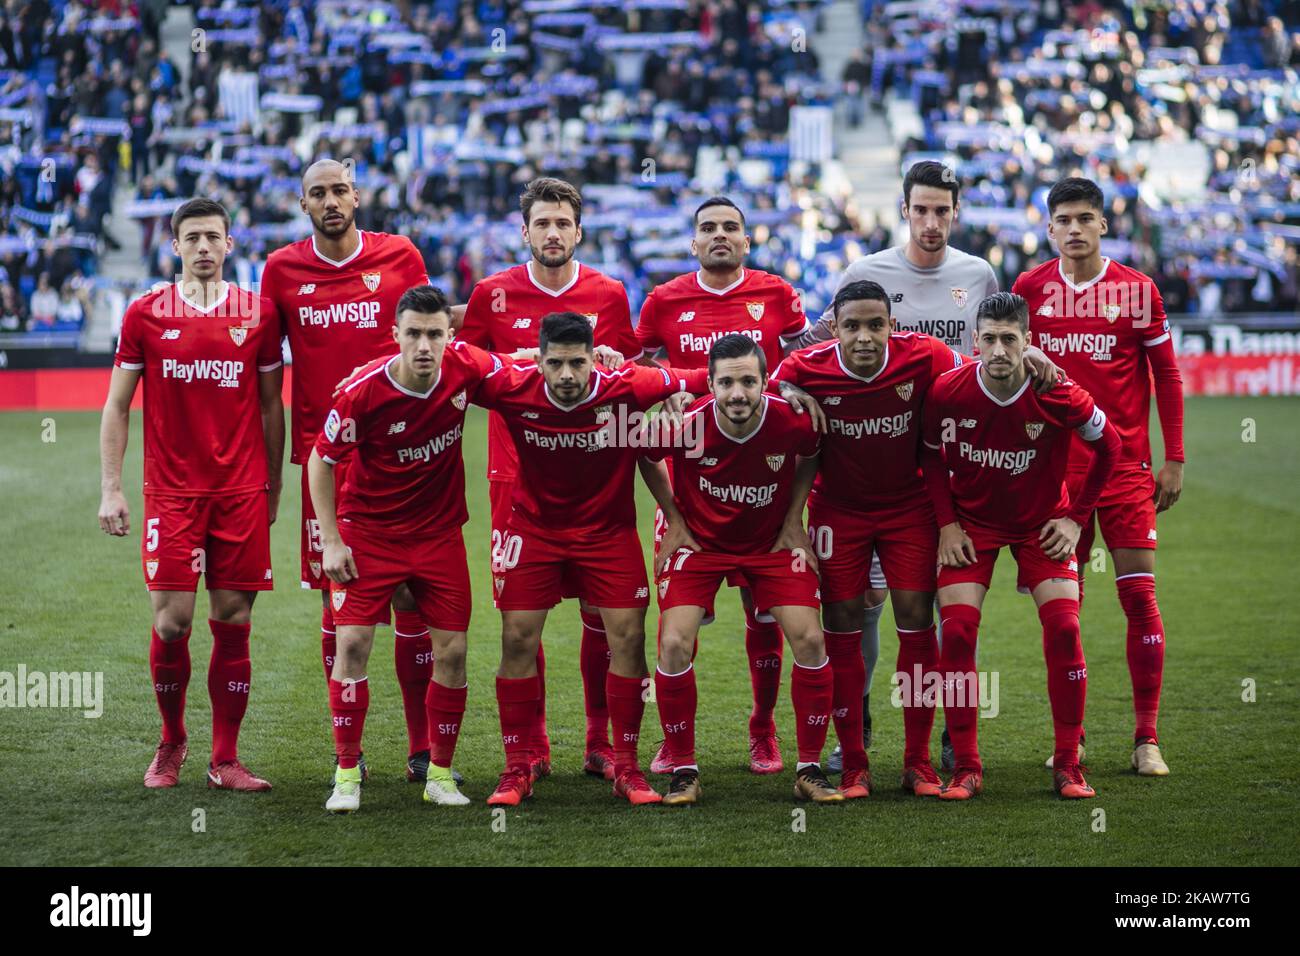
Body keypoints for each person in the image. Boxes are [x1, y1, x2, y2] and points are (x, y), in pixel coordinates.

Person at [790, 160, 1000, 771]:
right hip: (871, 463)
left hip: (954, 463)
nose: (931, 222)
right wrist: (797, 381)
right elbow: (817, 346)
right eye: (921, 209)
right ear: (903, 210)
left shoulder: (978, 274)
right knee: (864, 609)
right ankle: (852, 732)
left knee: (950, 613)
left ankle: (945, 737)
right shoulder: (867, 274)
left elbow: (993, 353)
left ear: (955, 213)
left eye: (942, 210)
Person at [470, 312, 708, 807]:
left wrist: (789, 387)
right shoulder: (513, 387)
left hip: (608, 533)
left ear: (593, 357)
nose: (566, 376)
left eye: (577, 363)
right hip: (533, 531)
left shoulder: (627, 385)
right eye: (555, 364)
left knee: (629, 638)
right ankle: (517, 768)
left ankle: (626, 766)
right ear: (538, 361)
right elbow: (451, 365)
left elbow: (710, 373)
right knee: (517, 640)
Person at [456, 177, 644, 782]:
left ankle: (600, 741)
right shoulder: (493, 294)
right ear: (525, 232)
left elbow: (631, 374)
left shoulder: (609, 294)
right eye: (542, 223)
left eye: (563, 223)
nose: (553, 233)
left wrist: (621, 363)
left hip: (594, 478)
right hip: (513, 480)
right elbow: (465, 373)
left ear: (579, 230)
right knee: (522, 620)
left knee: (602, 613)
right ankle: (531, 750)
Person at [260, 159, 437, 784]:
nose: (331, 201)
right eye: (318, 193)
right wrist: (273, 470)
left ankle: (422, 751)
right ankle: (349, 754)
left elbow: (431, 337)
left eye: (340, 190)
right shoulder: (280, 270)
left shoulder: (401, 257)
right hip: (324, 465)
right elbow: (265, 372)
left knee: (415, 598)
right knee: (339, 605)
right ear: (302, 203)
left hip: (403, 458)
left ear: (356, 196)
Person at [98, 197, 283, 792]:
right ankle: (172, 742)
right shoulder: (146, 313)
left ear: (231, 244)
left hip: (240, 492)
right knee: (174, 623)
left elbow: (270, 407)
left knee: (233, 620)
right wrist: (111, 489)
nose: (204, 247)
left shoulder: (259, 313)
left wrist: (274, 484)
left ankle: (225, 759)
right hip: (172, 495)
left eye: (214, 237)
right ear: (174, 246)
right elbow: (116, 405)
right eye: (193, 238)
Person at [633, 195, 812, 777]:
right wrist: (666, 394)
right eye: (707, 228)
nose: (719, 236)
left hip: (762, 480)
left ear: (747, 240)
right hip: (694, 483)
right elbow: (641, 373)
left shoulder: (778, 294)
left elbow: (804, 362)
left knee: (765, 617)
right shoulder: (664, 300)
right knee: (680, 624)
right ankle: (675, 743)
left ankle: (763, 730)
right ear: (693, 242)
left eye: (730, 228)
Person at [1012, 176, 1184, 776]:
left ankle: (1146, 739)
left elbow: (1167, 375)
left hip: (1126, 470)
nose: (1076, 228)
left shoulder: (1138, 291)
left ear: (1103, 225)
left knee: (1139, 596)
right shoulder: (1028, 289)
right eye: (1065, 219)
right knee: (1065, 607)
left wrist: (1175, 457)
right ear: (1050, 227)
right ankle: (1073, 739)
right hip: (1054, 475)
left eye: (1087, 218)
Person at [919, 293, 1121, 800]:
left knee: (1065, 627)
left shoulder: (1058, 392)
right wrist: (947, 525)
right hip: (973, 525)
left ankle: (1068, 764)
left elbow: (1111, 446)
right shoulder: (948, 390)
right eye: (989, 338)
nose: (999, 349)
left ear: (1029, 343)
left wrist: (1075, 520)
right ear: (974, 342)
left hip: (1042, 525)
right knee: (958, 633)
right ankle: (966, 765)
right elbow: (929, 458)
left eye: (1010, 339)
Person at [309, 286, 502, 812]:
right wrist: (331, 539)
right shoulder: (362, 392)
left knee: (455, 652)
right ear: (395, 335)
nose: (423, 344)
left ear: (450, 336)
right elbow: (319, 461)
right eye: (413, 333)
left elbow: (516, 364)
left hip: (438, 535)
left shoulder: (464, 369)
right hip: (369, 534)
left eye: (434, 334)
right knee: (352, 648)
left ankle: (439, 773)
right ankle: (347, 774)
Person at [641, 333, 841, 805]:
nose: (737, 393)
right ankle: (684, 768)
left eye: (748, 381)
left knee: (811, 638)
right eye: (726, 382)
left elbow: (812, 453)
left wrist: (793, 519)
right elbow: (646, 455)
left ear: (765, 381)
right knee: (673, 643)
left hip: (768, 541)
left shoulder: (792, 420)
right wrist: (672, 519)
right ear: (709, 383)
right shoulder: (685, 423)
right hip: (700, 541)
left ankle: (809, 768)